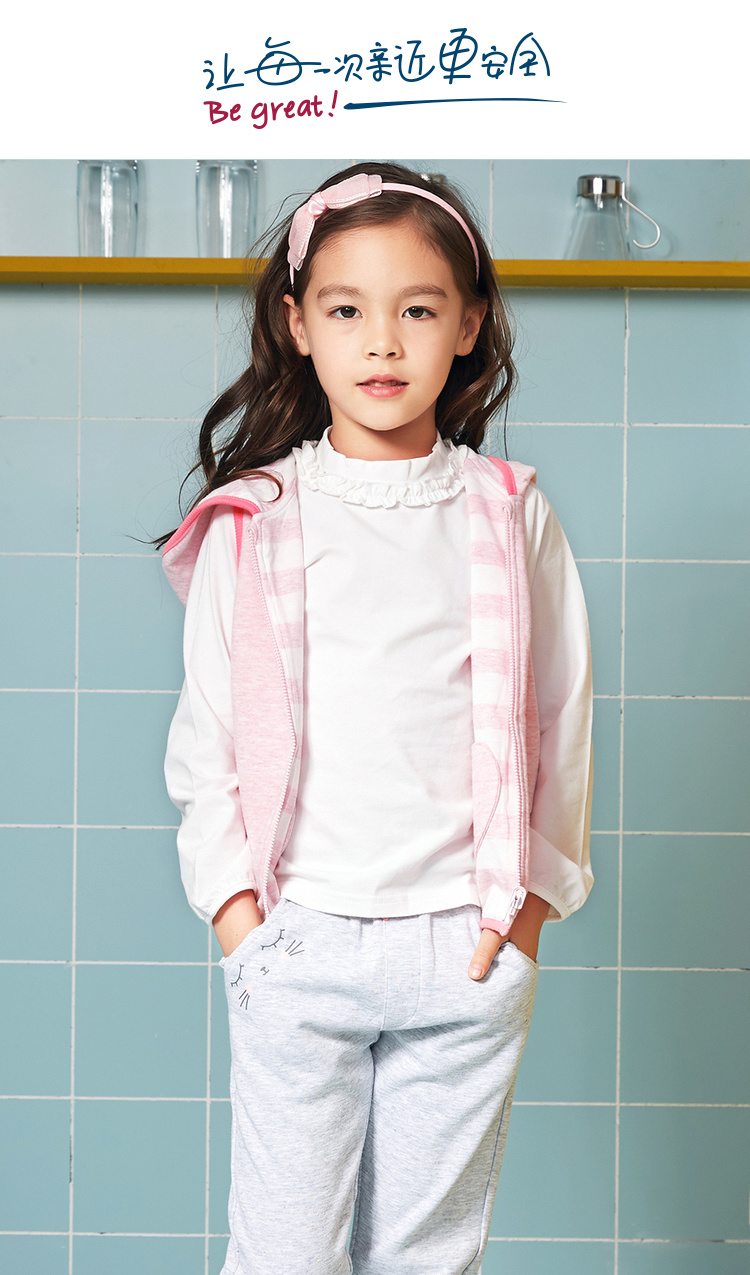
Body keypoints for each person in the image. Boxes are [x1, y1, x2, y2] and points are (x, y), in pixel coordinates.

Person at [159, 161, 594, 1275]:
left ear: (470, 325)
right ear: (298, 324)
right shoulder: (259, 519)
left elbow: (561, 720)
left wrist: (524, 919)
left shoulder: (509, 512)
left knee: (426, 1261)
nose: (384, 343)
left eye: (419, 310)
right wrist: (243, 925)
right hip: (298, 940)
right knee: (284, 1258)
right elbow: (208, 742)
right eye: (348, 310)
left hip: (467, 947)